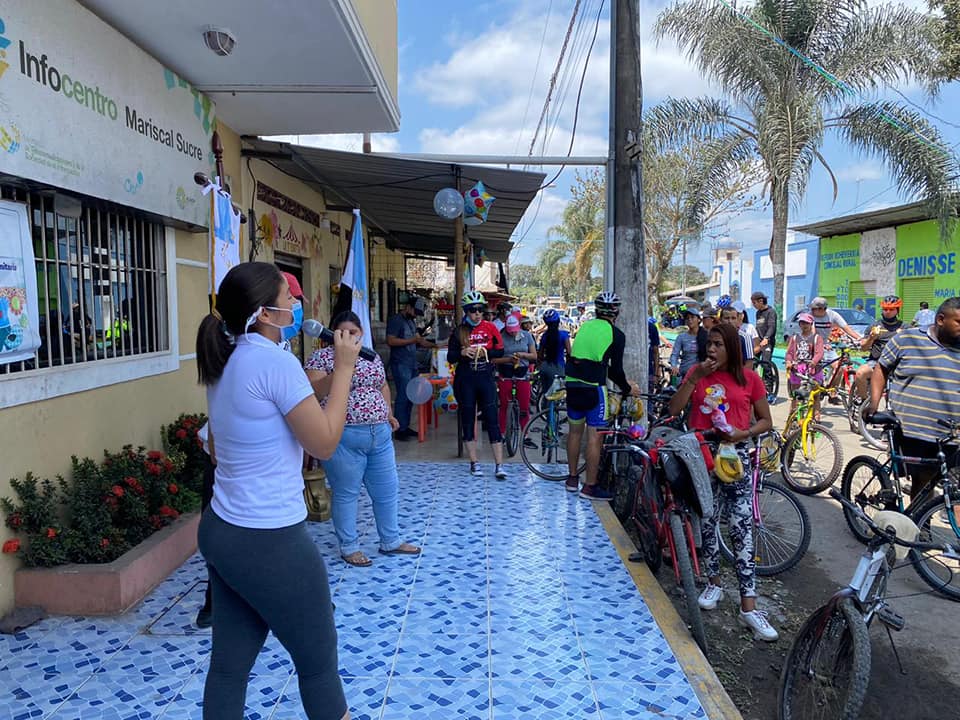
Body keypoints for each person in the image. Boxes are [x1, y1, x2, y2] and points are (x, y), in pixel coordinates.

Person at [195, 262, 357, 720]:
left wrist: (316, 382)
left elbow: (217, 447)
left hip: (222, 529)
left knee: (229, 668)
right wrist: (344, 370)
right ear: (265, 313)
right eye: (289, 297)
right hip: (270, 539)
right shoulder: (275, 362)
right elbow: (324, 443)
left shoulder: (225, 358)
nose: (296, 304)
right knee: (318, 663)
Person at [668, 323, 777, 642]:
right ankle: (713, 583)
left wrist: (744, 433)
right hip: (701, 454)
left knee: (742, 527)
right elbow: (674, 409)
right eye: (709, 344)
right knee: (707, 520)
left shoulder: (750, 379)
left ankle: (748, 605)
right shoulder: (697, 374)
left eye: (718, 344)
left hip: (735, 456)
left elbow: (766, 421)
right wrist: (695, 378)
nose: (711, 349)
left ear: (732, 348)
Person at [305, 311, 420, 568]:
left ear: (361, 334)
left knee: (387, 489)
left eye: (353, 333)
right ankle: (349, 546)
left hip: (379, 434)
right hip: (343, 435)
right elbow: (315, 391)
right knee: (347, 492)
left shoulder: (371, 356)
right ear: (331, 335)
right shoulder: (321, 358)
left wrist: (388, 413)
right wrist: (343, 367)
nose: (348, 337)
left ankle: (390, 540)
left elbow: (382, 386)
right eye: (342, 333)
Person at [869, 297, 960, 501]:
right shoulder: (907, 339)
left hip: (952, 433)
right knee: (922, 482)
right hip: (912, 430)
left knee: (952, 492)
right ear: (941, 319)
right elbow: (881, 368)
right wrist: (874, 403)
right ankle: (917, 520)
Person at [564, 291, 639, 500]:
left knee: (574, 433)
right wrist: (628, 388)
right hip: (594, 388)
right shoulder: (617, 334)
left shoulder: (584, 327)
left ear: (596, 310)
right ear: (617, 312)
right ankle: (590, 487)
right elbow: (616, 371)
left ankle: (572, 479)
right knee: (595, 437)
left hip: (572, 384)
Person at [447, 290, 508, 478]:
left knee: (492, 418)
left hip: (485, 376)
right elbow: (450, 357)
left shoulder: (490, 327)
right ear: (466, 311)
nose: (478, 314)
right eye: (473, 310)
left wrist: (486, 353)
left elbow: (500, 351)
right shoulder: (459, 331)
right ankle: (474, 462)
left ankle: (499, 465)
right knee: (468, 419)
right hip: (465, 378)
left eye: (481, 309)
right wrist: (462, 353)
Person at [386, 295, 434, 442]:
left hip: (412, 363)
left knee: (411, 396)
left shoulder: (411, 321)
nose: (415, 315)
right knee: (403, 396)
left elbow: (419, 341)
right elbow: (390, 341)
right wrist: (412, 340)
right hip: (401, 363)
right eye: (414, 312)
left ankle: (405, 426)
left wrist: (435, 345)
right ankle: (399, 430)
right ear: (408, 307)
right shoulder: (396, 320)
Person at [494, 314, 537, 441]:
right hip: (506, 372)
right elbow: (493, 359)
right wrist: (508, 359)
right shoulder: (500, 337)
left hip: (522, 372)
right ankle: (502, 432)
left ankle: (525, 433)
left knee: (524, 405)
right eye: (510, 331)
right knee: (504, 404)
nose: (513, 333)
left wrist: (523, 355)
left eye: (515, 331)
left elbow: (534, 355)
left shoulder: (527, 336)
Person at [855, 295, 903, 403]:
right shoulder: (874, 326)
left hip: (897, 364)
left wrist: (903, 337)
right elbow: (863, 348)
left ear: (897, 310)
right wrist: (871, 338)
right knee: (860, 373)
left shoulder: (904, 327)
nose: (888, 312)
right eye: (885, 309)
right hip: (877, 362)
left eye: (891, 309)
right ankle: (863, 400)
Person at [783, 312, 825, 420]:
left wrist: (814, 362)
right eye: (802, 323)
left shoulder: (817, 338)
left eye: (806, 323)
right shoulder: (795, 338)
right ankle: (793, 417)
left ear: (811, 324)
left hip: (813, 370)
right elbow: (789, 353)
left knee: (815, 395)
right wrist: (789, 361)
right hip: (798, 370)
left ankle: (816, 416)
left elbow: (819, 353)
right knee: (796, 395)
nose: (804, 325)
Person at [537, 309, 572, 395]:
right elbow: (569, 353)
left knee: (545, 393)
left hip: (545, 367)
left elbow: (540, 355)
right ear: (558, 321)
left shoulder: (544, 336)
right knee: (557, 396)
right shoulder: (564, 335)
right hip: (558, 368)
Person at [669, 309, 707, 380]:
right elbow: (675, 354)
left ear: (699, 320)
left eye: (692, 317)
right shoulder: (681, 337)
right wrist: (674, 366)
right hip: (685, 374)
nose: (690, 320)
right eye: (687, 318)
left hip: (700, 374)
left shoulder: (705, 336)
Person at [719, 304, 755, 370]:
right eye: (726, 318)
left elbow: (749, 364)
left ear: (737, 320)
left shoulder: (745, 338)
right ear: (720, 320)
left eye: (733, 318)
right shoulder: (716, 337)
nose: (730, 321)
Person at [750, 291, 778, 363]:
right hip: (758, 342)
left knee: (765, 363)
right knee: (753, 361)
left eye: (754, 303)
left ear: (761, 301)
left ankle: (768, 370)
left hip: (767, 342)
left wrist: (766, 338)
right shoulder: (758, 313)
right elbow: (758, 327)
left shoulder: (771, 312)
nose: (753, 305)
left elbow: (772, 326)